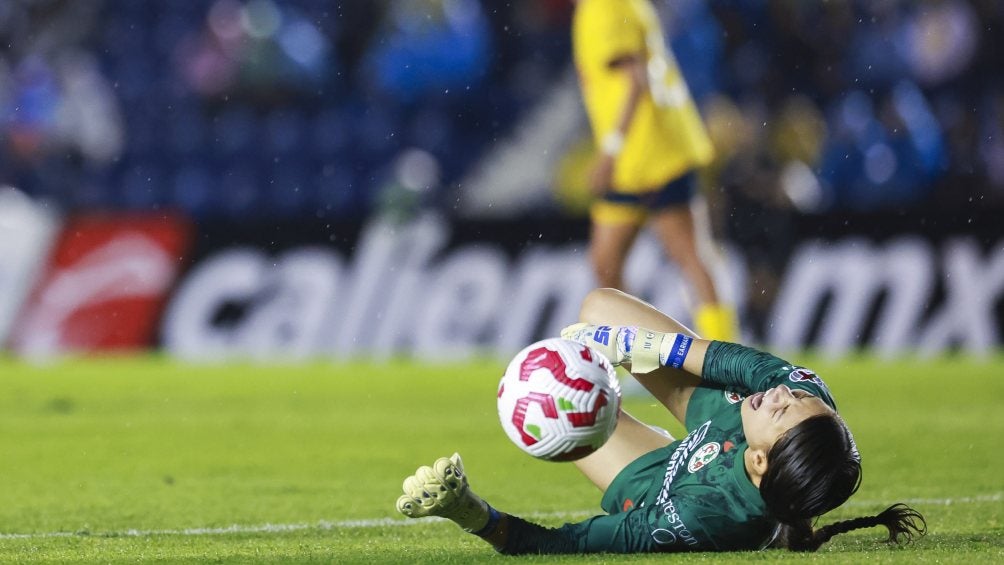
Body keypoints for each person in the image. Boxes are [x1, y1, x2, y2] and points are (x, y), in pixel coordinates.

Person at [395, 288, 926, 554]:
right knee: (599, 306)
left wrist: (474, 515)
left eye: (785, 407)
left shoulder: (705, 515)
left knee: (550, 410)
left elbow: (577, 543)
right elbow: (730, 361)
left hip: (660, 482)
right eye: (801, 397)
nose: (783, 392)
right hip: (724, 425)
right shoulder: (806, 399)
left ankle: (590, 408)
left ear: (759, 460)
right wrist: (623, 346)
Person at [572, 0, 736, 341]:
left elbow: (635, 80)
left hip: (651, 155)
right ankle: (645, 355)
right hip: (641, 157)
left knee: (689, 256)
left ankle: (728, 355)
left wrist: (610, 151)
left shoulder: (602, 8)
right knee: (605, 262)